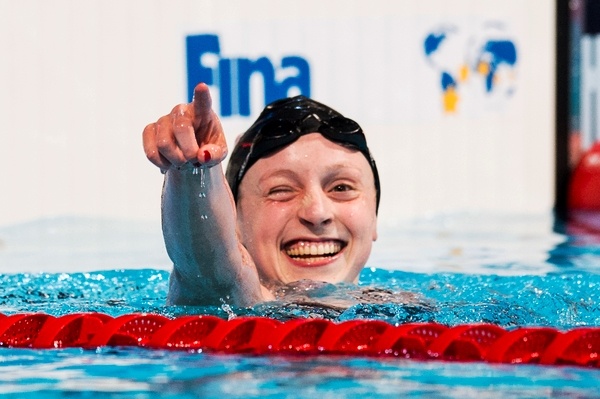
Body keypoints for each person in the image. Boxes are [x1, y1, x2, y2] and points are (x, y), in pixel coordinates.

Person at [142, 83, 380, 307]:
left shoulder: (406, 306)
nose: (317, 213)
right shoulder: (246, 304)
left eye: (341, 188)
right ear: (235, 223)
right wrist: (193, 169)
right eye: (281, 190)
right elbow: (210, 273)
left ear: (374, 218)